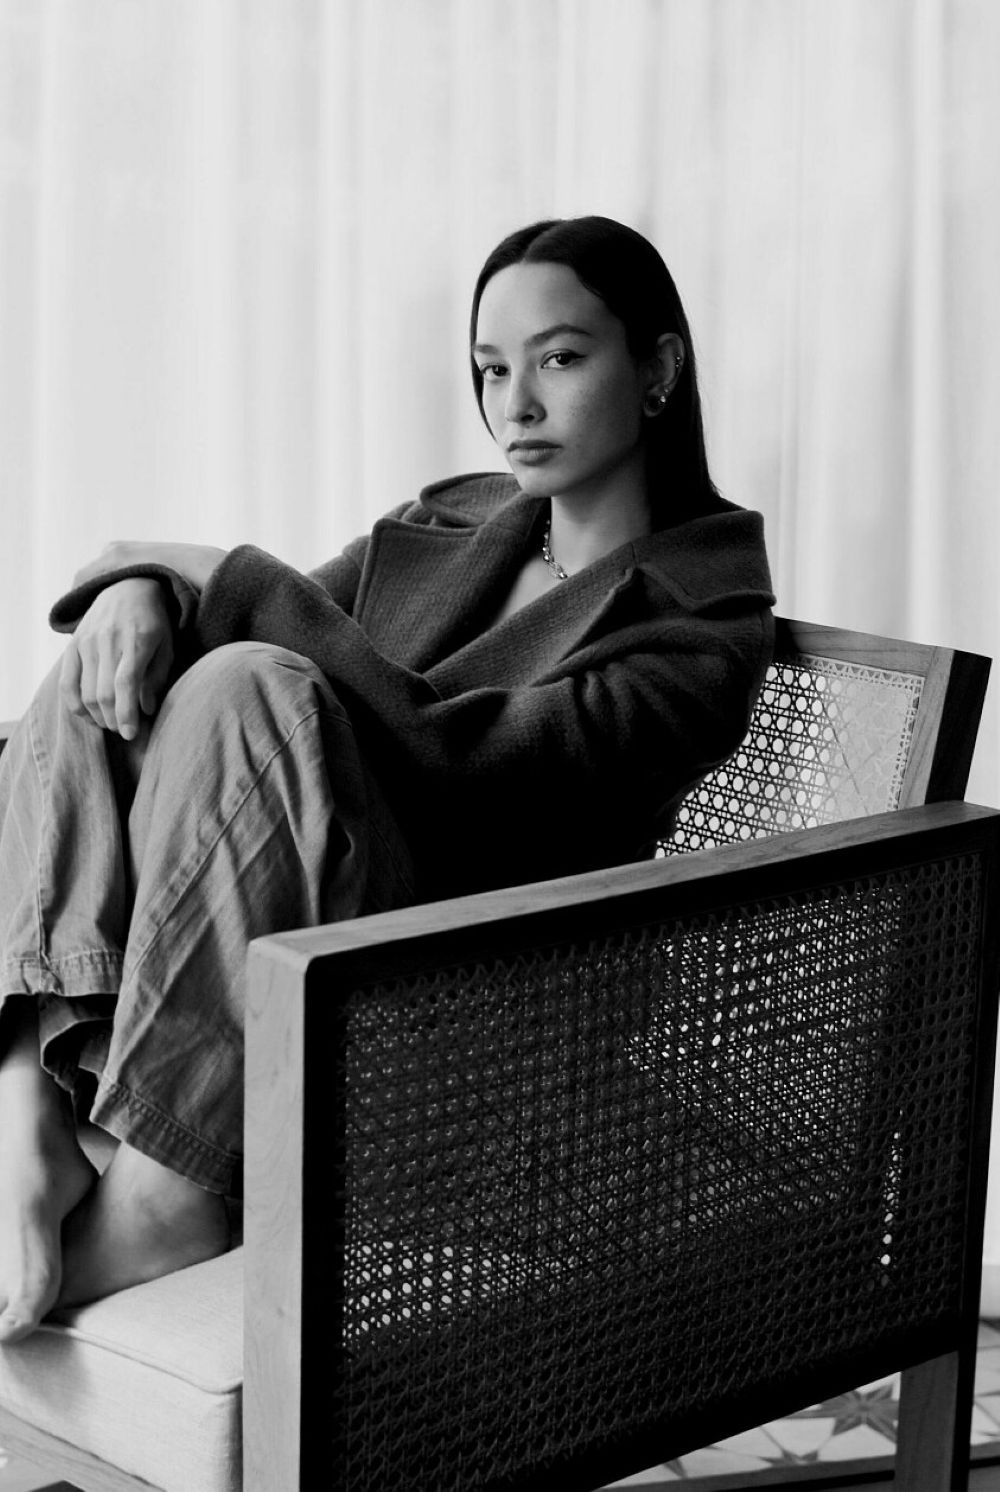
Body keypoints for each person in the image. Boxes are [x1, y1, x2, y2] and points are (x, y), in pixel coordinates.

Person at [0, 214, 775, 1344]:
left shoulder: (702, 627)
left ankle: (166, 1192)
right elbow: (263, 622)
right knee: (121, 659)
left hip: (452, 1012)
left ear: (657, 369)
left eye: (559, 358)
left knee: (246, 682)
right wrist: (149, 589)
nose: (516, 405)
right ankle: (26, 1091)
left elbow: (465, 766)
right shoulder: (454, 519)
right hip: (286, 948)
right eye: (491, 368)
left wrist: (217, 575)